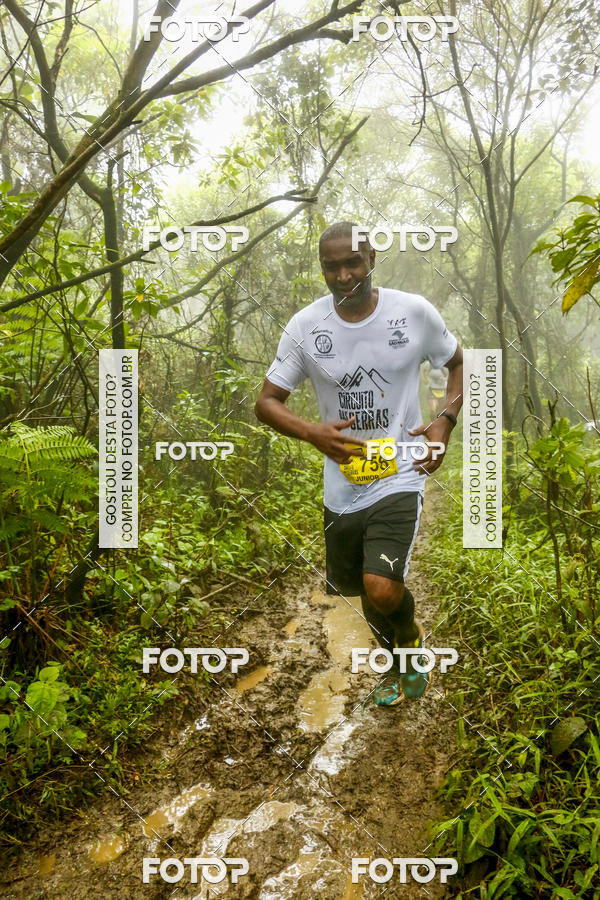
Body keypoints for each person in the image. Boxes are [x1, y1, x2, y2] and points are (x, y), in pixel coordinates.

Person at [254, 221, 463, 705]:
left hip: (400, 471)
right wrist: (313, 433)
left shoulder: (413, 312)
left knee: (382, 586)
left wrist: (443, 423)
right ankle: (393, 664)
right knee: (362, 591)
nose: (344, 275)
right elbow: (267, 402)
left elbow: (455, 361)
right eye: (332, 267)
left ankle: (410, 644)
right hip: (343, 482)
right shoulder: (306, 327)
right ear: (322, 270)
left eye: (353, 262)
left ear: (371, 259)